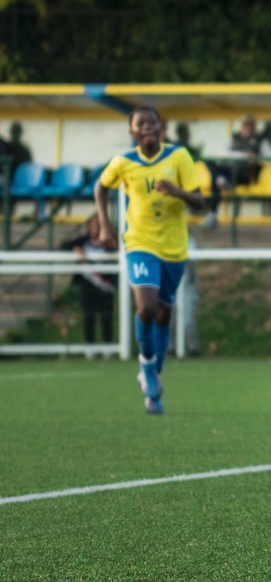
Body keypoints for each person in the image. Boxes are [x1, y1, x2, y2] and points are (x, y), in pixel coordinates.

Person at [94, 106, 205, 414]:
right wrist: (105, 224)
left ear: (161, 128)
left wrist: (177, 192)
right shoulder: (124, 162)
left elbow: (199, 201)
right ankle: (145, 363)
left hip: (173, 247)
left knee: (164, 314)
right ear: (132, 131)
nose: (147, 127)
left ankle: (154, 377)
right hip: (140, 243)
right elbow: (101, 187)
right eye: (140, 123)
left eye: (152, 122)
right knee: (147, 307)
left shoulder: (179, 156)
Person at [60, 214, 119, 353]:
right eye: (92, 225)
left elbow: (116, 252)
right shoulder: (83, 241)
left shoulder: (110, 242)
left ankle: (108, 348)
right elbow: (64, 246)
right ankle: (90, 349)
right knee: (89, 317)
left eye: (98, 225)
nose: (95, 228)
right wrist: (75, 249)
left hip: (105, 286)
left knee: (106, 318)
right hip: (87, 286)